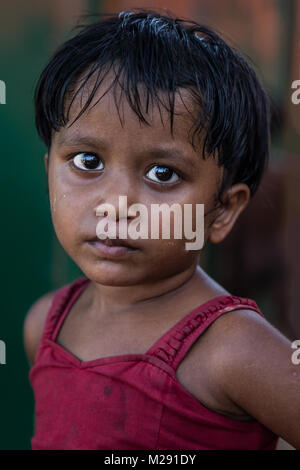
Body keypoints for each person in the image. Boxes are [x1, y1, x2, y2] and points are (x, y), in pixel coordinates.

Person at [23, 9, 300, 450]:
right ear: (48, 173)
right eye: (88, 162)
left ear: (223, 210)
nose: (116, 203)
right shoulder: (45, 325)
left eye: (163, 174)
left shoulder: (235, 350)